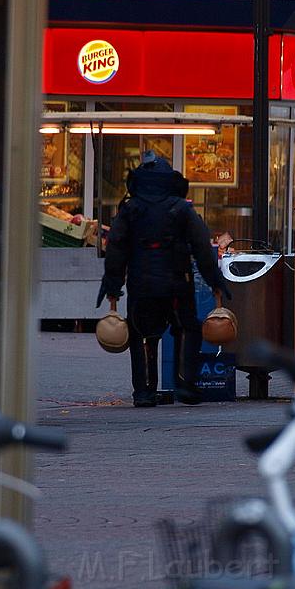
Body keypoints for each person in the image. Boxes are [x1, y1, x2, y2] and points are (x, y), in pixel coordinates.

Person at [96, 150, 231, 408]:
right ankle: (184, 384)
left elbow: (116, 247)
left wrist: (113, 285)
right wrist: (215, 281)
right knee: (187, 327)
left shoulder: (130, 209)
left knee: (140, 333)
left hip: (141, 283)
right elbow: (202, 247)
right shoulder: (181, 209)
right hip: (177, 283)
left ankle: (144, 392)